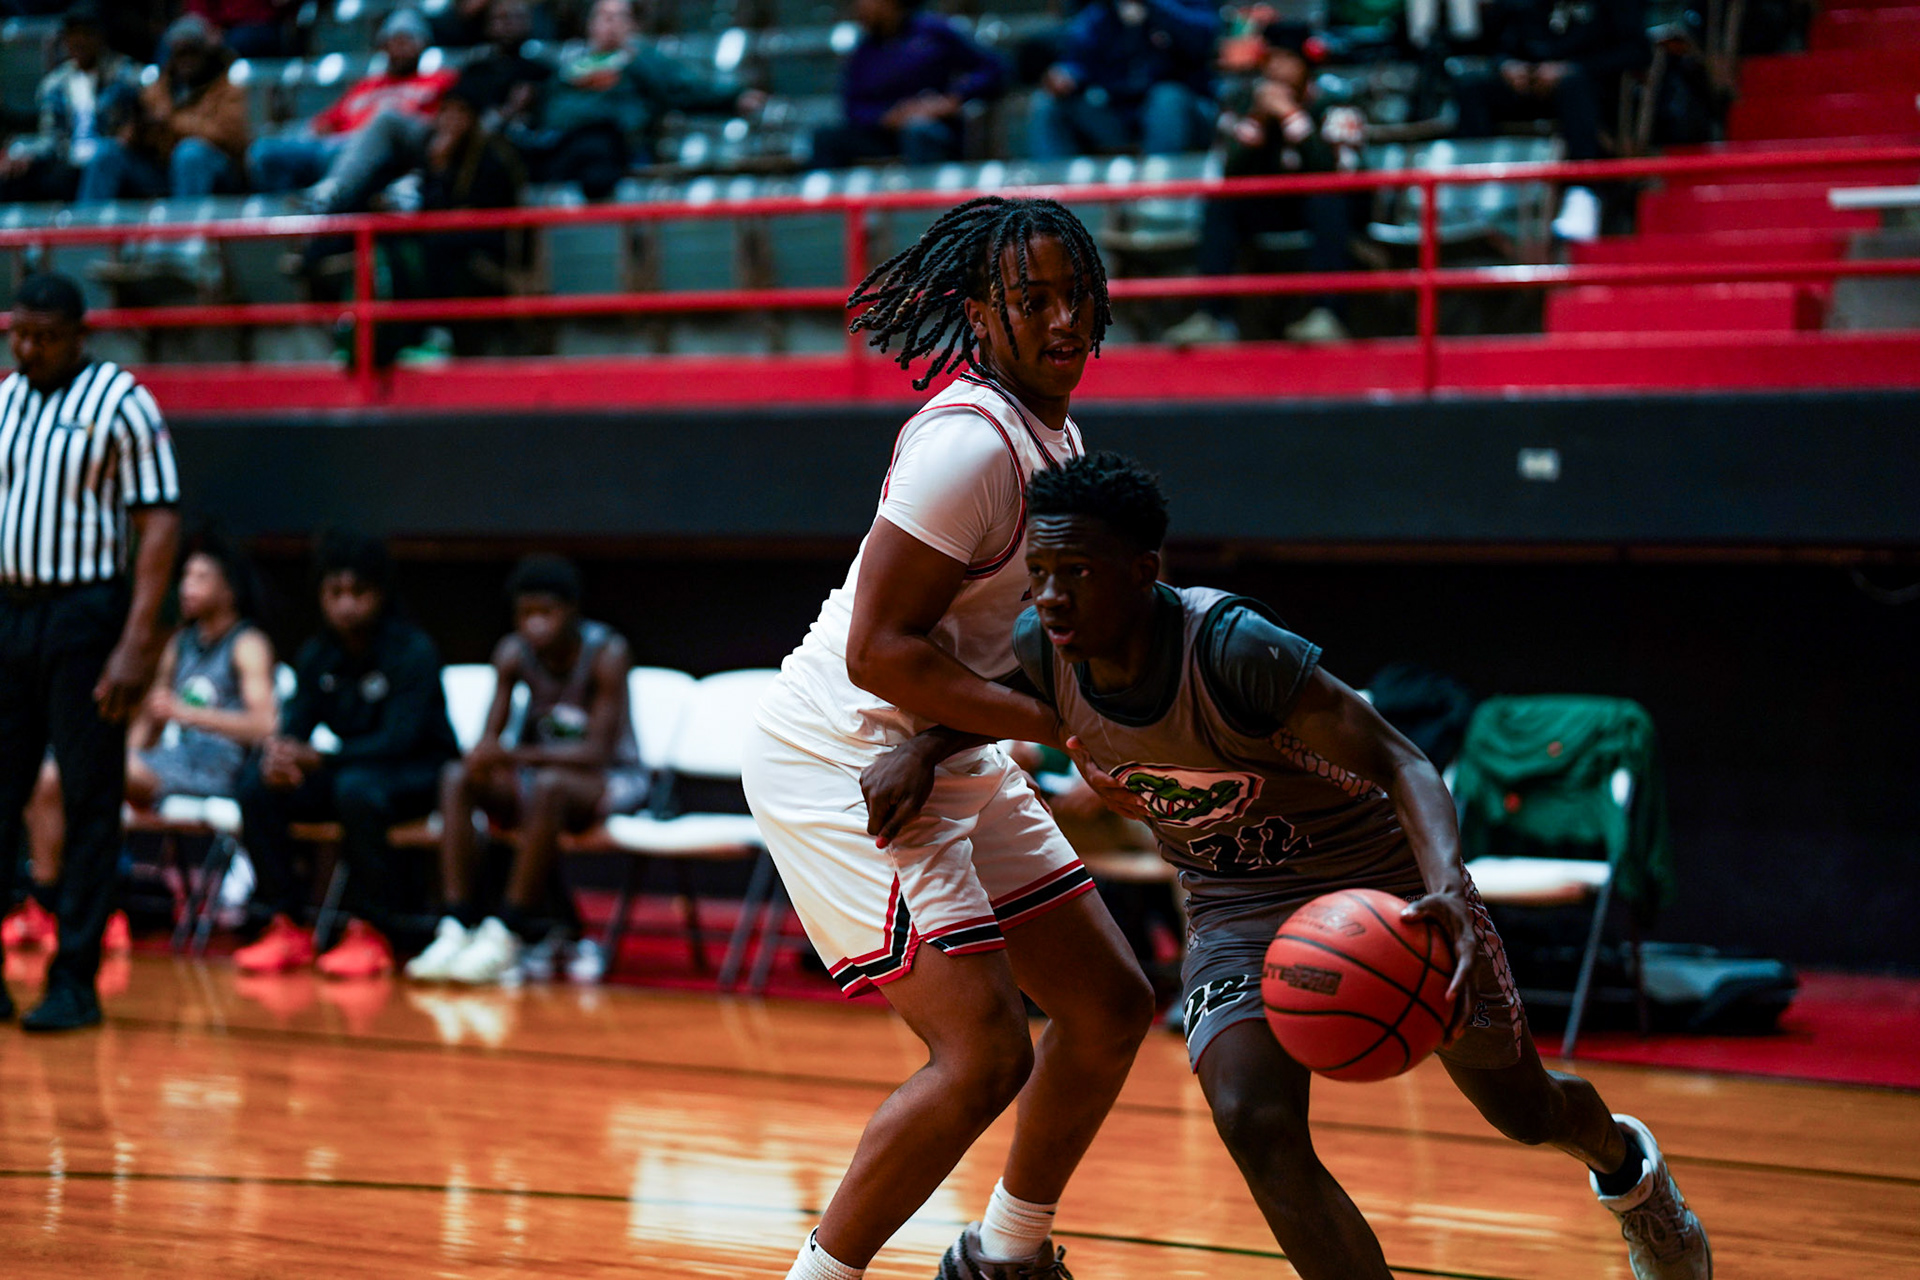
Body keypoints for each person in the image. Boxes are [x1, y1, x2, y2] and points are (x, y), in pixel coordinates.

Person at [866, 451, 1714, 1280]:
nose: (1050, 595)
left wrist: (1447, 892)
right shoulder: (1049, 643)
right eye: (1040, 572)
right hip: (1233, 908)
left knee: (1525, 1111)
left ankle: (1631, 1175)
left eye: (1076, 572)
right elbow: (1018, 699)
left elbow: (1404, 763)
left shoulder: (1233, 648)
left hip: (1380, 888)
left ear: (1142, 571)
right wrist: (926, 749)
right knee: (1251, 1118)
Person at [741, 196, 1157, 1280]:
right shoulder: (967, 448)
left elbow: (1005, 639)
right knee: (982, 1053)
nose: (1064, 319)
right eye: (1034, 299)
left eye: (1078, 295)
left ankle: (1002, 1257)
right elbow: (879, 651)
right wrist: (1063, 732)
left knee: (1109, 1005)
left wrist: (948, 745)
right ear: (979, 312)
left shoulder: (1055, 436)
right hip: (842, 756)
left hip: (929, 743)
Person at [0, 273, 182, 1032]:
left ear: (79, 335)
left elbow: (159, 524)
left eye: (44, 337)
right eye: (19, 334)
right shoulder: (5, 400)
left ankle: (75, 978)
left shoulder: (121, 401)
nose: (28, 349)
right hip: (9, 610)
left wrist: (137, 641)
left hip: (85, 616)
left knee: (88, 798)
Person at [10, 533, 279, 956]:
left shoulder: (247, 644)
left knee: (89, 776)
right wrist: (127, 750)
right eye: (185, 576)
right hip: (166, 764)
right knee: (47, 777)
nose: (187, 587)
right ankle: (44, 902)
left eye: (201, 577)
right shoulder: (180, 643)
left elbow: (265, 724)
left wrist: (187, 715)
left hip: (215, 770)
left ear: (229, 589)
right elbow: (152, 721)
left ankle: (100, 908)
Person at [408, 555, 647, 985]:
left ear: (572, 611)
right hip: (540, 779)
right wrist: (483, 755)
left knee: (549, 786)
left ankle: (507, 932)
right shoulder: (512, 653)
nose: (534, 624)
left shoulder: (606, 653)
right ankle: (457, 924)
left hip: (611, 779)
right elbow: (490, 741)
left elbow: (597, 752)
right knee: (457, 777)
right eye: (525, 613)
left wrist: (514, 756)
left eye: (546, 612)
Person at [234, 532, 460, 981]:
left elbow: (398, 740)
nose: (346, 605)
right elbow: (295, 726)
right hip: (349, 772)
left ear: (380, 593)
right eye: (334, 592)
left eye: (358, 592)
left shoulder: (412, 650)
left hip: (418, 772)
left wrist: (319, 759)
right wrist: (280, 755)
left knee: (356, 790)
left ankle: (372, 929)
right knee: (256, 783)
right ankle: (285, 920)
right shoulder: (318, 654)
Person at [1162, 24, 1368, 347]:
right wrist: (1257, 119)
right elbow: (1226, 170)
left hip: (1322, 211)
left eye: (1287, 60)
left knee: (1328, 198)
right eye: (1271, 59)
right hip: (1269, 207)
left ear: (1305, 64)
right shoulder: (1242, 102)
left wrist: (1291, 116)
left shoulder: (1335, 104)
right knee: (1221, 202)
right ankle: (1211, 318)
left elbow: (1340, 174)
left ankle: (1327, 316)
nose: (1277, 69)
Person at [1453, 0, 1652, 242]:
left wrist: (1572, 68)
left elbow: (1637, 52)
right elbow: (1501, 45)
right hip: (1533, 86)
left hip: (1592, 90)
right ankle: (1474, 193)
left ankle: (1583, 193)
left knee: (1573, 86)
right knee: (1471, 88)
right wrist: (1507, 65)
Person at [528, 0, 761, 197]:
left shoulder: (642, 61)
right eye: (603, 17)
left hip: (610, 144)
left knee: (596, 155)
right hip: (562, 144)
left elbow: (686, 89)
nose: (610, 23)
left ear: (632, 25)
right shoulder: (572, 68)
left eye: (619, 17)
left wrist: (734, 97)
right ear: (590, 24)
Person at [247, 8, 458, 196]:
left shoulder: (440, 81)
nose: (399, 48)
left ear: (423, 44)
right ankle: (290, 215)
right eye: (394, 41)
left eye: (407, 41)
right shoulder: (367, 85)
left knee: (382, 121)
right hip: (337, 147)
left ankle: (329, 194)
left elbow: (436, 127)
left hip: (383, 156)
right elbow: (325, 123)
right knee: (265, 150)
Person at [808, 0, 1006, 170]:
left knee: (918, 131)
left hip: (935, 128)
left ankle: (926, 202)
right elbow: (852, 106)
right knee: (825, 138)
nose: (859, 7)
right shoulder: (864, 50)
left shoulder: (933, 30)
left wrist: (952, 99)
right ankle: (826, 203)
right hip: (883, 133)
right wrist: (885, 116)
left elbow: (994, 69)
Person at [76, 14, 249, 203]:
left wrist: (173, 122)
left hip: (213, 168)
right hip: (162, 171)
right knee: (106, 152)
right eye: (179, 53)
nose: (186, 60)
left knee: (189, 154)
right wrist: (137, 130)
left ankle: (186, 221)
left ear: (206, 52)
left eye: (192, 51)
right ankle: (86, 218)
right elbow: (129, 138)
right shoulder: (159, 87)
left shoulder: (228, 85)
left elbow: (234, 137)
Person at [1026, 0, 1219, 161]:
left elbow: (1205, 38)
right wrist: (1067, 75)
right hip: (1120, 115)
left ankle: (1159, 191)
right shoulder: (1103, 12)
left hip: (1185, 112)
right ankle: (1053, 193)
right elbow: (1077, 56)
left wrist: (1152, 6)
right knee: (1049, 105)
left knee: (1167, 98)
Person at [0, 4, 138, 204]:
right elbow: (50, 140)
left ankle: (87, 222)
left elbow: (148, 95)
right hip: (69, 160)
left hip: (113, 157)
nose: (79, 41)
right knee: (14, 169)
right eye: (73, 35)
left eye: (86, 34)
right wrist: (22, 152)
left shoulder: (123, 73)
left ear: (99, 37)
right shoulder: (54, 85)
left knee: (104, 156)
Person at [182, 0, 300, 59]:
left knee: (240, 42)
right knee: (180, 40)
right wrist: (210, 26)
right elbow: (197, 8)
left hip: (263, 24)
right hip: (214, 25)